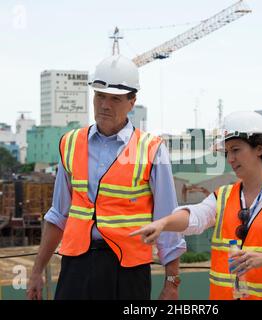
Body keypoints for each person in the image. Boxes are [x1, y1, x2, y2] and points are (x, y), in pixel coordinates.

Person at [27, 54, 186, 300]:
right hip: (75, 265)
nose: (105, 105)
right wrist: (37, 271)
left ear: (132, 101)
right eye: (100, 96)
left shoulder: (151, 149)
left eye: (115, 98)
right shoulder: (70, 143)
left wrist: (172, 283)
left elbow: (167, 221)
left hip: (127, 271)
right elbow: (58, 215)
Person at [131, 111, 262, 300]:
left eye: (236, 150)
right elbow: (196, 216)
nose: (230, 159)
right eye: (227, 152)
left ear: (259, 149)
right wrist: (163, 223)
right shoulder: (223, 196)